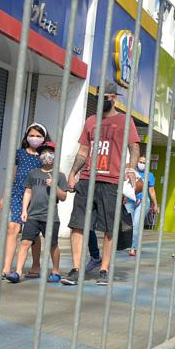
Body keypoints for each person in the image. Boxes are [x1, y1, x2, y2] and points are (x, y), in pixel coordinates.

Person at [63, 84, 140, 287]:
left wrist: (131, 169)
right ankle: (76, 268)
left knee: (109, 229)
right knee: (77, 224)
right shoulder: (91, 121)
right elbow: (83, 151)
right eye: (100, 96)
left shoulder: (125, 121)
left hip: (112, 181)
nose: (103, 99)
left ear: (114, 98)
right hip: (88, 179)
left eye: (106, 96)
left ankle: (104, 269)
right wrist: (72, 173)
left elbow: (134, 148)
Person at [5, 141, 68, 283]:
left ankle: (56, 271)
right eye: (44, 152)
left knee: (52, 245)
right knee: (25, 242)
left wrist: (54, 187)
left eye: (50, 152)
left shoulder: (60, 175)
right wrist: (24, 210)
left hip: (50, 218)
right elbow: (28, 191)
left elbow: (63, 196)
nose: (47, 155)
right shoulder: (33, 174)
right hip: (32, 215)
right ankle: (17, 272)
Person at [0, 123, 47, 278]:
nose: (35, 138)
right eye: (32, 135)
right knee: (12, 227)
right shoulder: (19, 154)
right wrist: (4, 196)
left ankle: (36, 265)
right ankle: (6, 268)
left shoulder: (44, 156)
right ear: (26, 136)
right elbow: (11, 176)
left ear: (44, 139)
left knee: (33, 233)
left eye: (39, 136)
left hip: (37, 197)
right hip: (17, 193)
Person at [128, 155, 158, 257]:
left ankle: (133, 248)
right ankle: (126, 244)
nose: (142, 164)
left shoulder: (150, 175)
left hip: (143, 201)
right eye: (140, 162)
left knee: (136, 224)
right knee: (128, 224)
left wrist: (155, 204)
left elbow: (152, 191)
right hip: (130, 200)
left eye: (144, 162)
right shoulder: (132, 173)